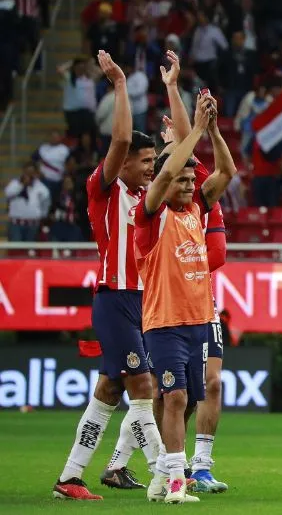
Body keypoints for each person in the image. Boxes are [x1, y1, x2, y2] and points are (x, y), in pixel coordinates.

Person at [53, 51, 162, 501]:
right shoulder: (107, 188)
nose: (150, 166)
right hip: (115, 298)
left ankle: (70, 478)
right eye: (145, 161)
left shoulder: (147, 195)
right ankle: (168, 471)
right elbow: (118, 143)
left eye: (154, 160)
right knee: (144, 386)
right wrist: (119, 85)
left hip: (145, 301)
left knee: (109, 390)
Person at [136, 91, 235, 504]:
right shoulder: (151, 215)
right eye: (183, 179)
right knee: (173, 396)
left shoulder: (195, 211)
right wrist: (193, 129)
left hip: (197, 321)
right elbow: (162, 177)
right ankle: (177, 482)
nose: (190, 185)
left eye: (193, 181)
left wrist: (212, 131)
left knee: (187, 399)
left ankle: (161, 473)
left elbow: (227, 172)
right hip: (164, 322)